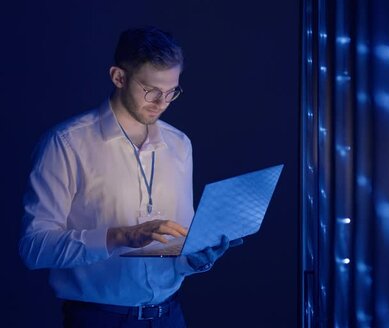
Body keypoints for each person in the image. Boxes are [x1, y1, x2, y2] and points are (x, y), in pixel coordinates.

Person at [18, 26, 239, 327]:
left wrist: (196, 258)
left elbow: (180, 242)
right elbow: (34, 247)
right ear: (118, 77)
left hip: (170, 317)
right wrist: (119, 236)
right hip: (98, 320)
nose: (162, 102)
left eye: (172, 91)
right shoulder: (66, 144)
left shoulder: (180, 145)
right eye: (151, 90)